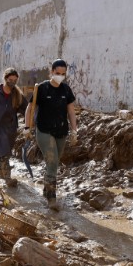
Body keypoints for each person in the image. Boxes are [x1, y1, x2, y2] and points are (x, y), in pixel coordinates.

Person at [25, 59, 78, 210]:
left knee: (53, 162)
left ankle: (46, 189)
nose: (60, 76)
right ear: (51, 72)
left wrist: (74, 131)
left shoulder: (66, 90)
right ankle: (51, 197)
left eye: (63, 74)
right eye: (57, 73)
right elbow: (30, 109)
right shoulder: (41, 88)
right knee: (53, 161)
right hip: (44, 131)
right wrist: (27, 127)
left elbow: (71, 112)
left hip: (61, 132)